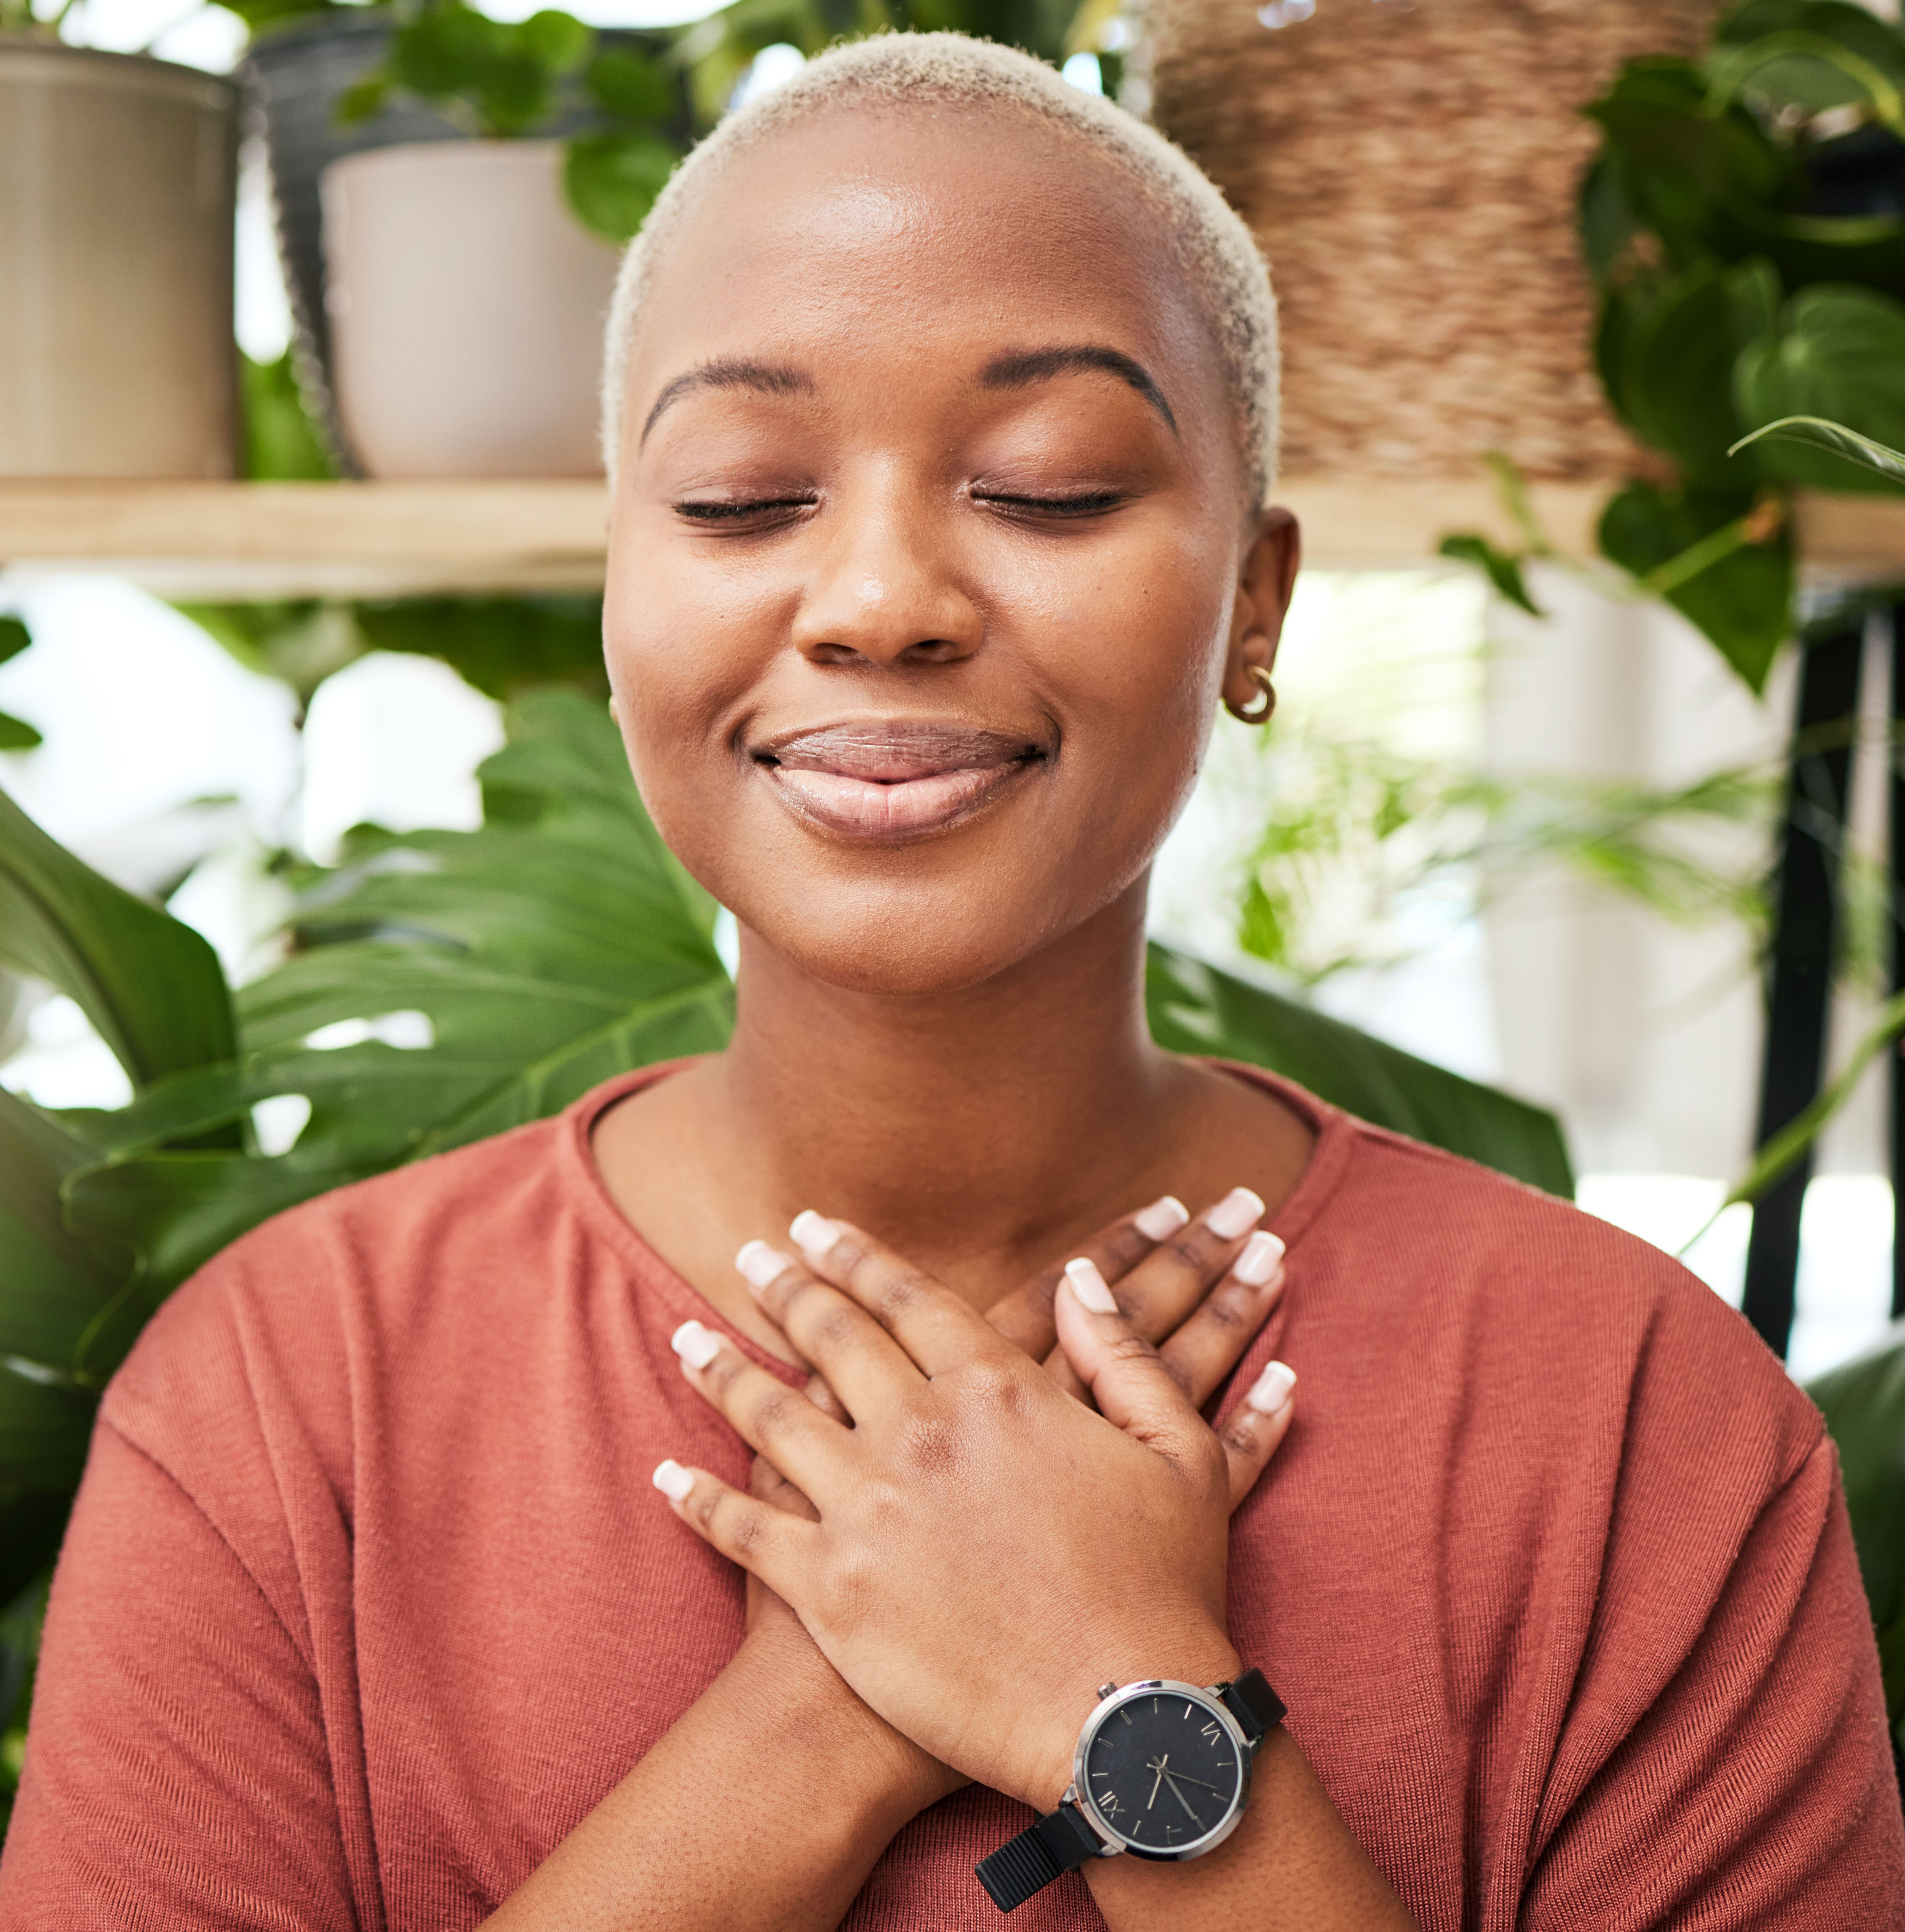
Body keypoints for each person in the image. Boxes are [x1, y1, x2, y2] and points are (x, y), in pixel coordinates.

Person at [3, 30, 1901, 1932]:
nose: (877, 599)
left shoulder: (1630, 1416)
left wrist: (1113, 1687)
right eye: (744, 499)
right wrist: (818, 1716)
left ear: (1253, 600)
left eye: (1052, 488)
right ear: (618, 594)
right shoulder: (290, 1399)